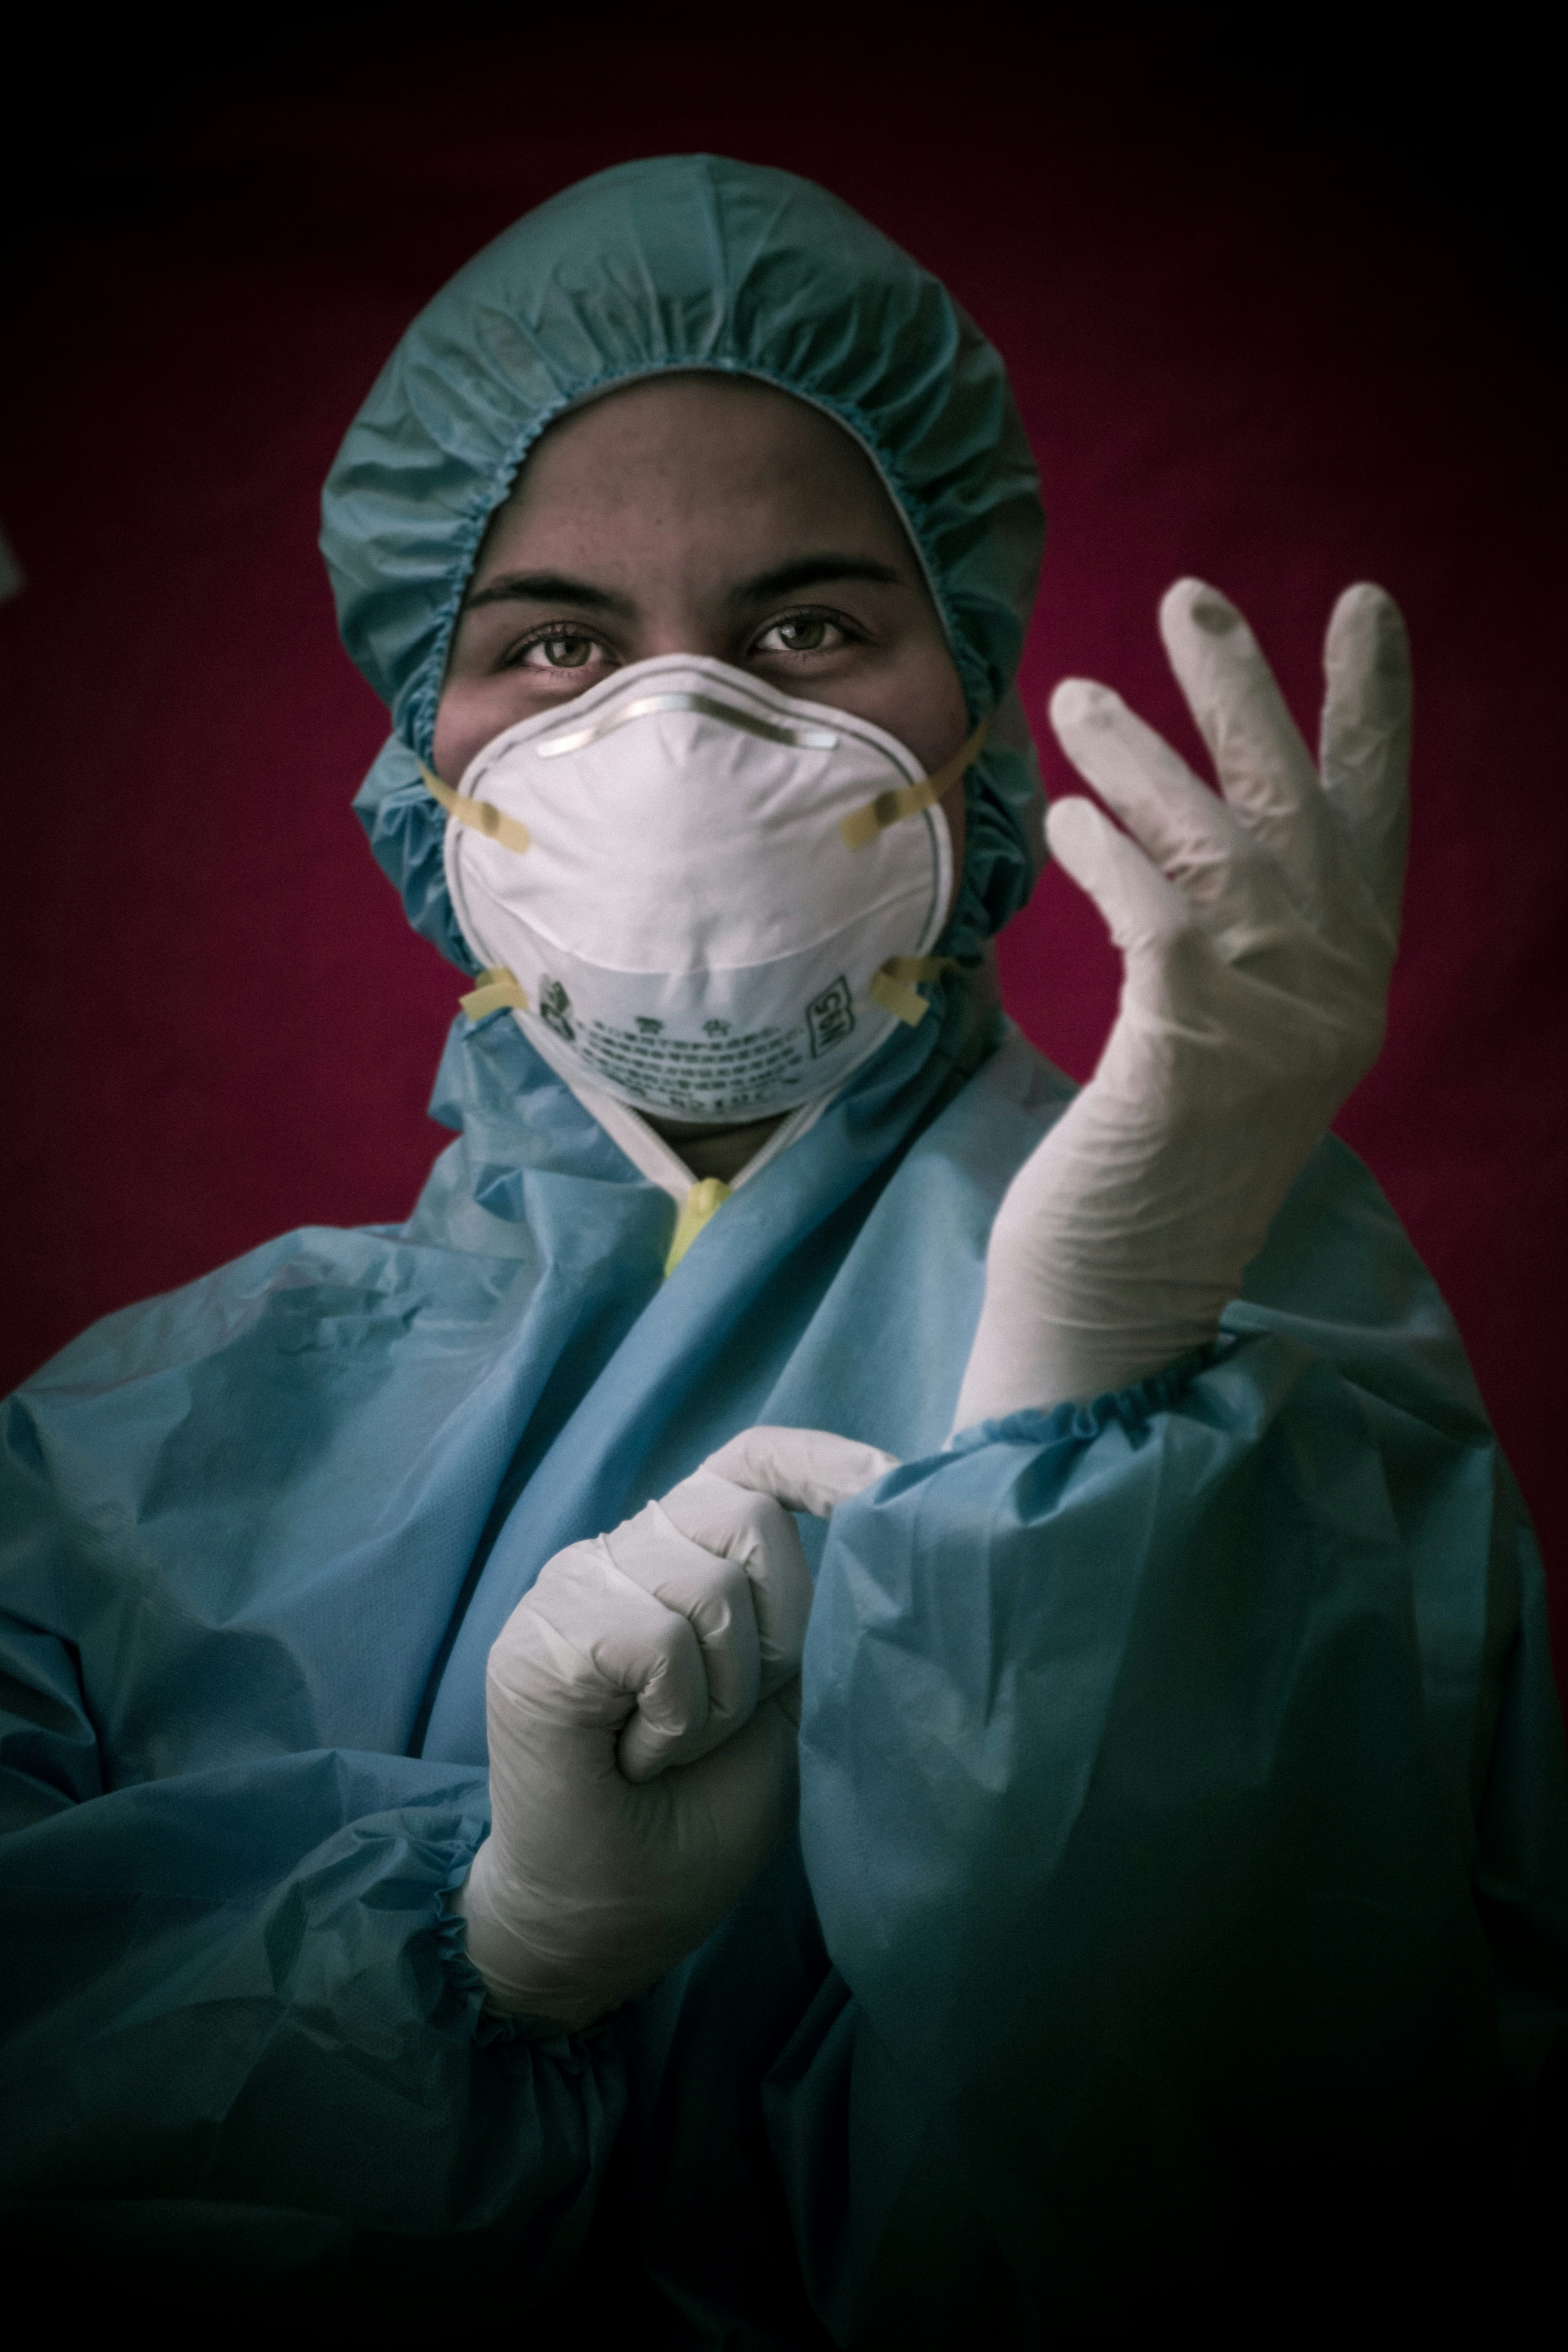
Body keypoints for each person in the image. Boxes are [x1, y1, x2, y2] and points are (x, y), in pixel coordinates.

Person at [1, 154, 1564, 2339]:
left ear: (973, 706)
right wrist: (499, 1945)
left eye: (807, 631)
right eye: (555, 645)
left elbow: (1304, 2177)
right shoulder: (118, 1455)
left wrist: (1091, 1418)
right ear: (422, 749)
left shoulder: (1241, 1301)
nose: (677, 743)